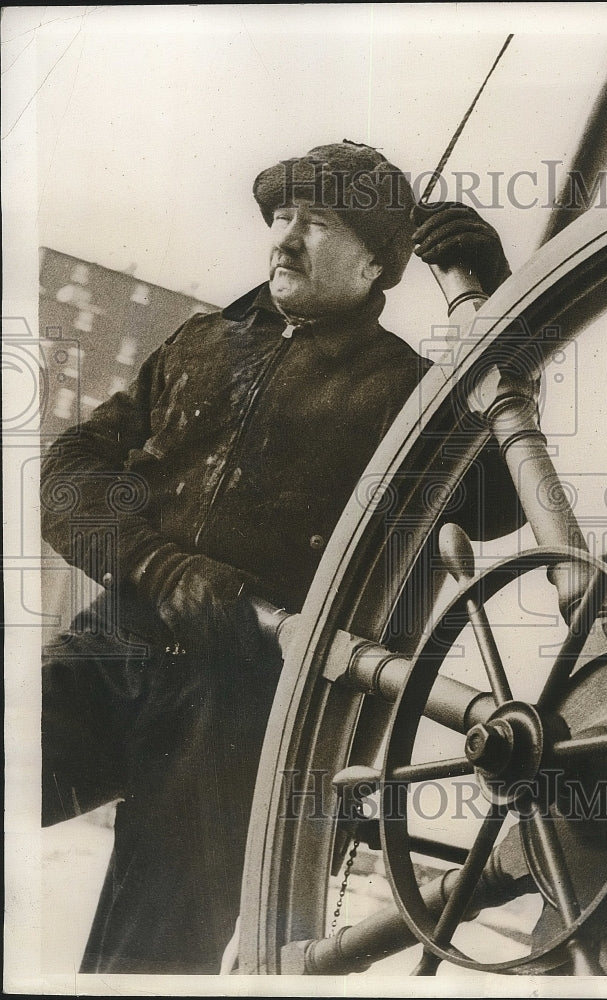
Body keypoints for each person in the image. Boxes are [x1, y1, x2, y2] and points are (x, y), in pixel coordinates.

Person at [40, 140, 516, 973]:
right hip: (114, 644)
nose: (286, 239)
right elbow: (68, 474)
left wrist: (501, 308)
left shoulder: (404, 393)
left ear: (376, 265)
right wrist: (161, 569)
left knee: (148, 959)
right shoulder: (199, 344)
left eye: (319, 222)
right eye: (283, 215)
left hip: (242, 706)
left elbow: (502, 499)